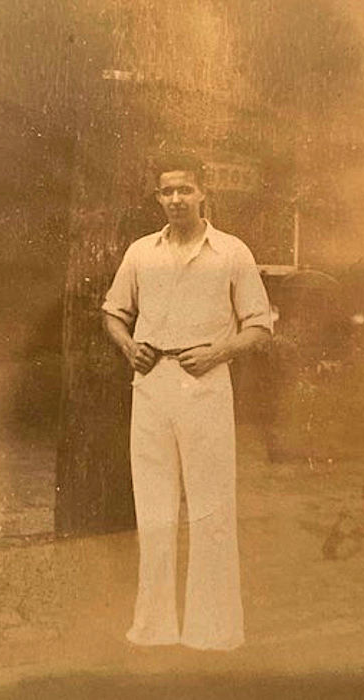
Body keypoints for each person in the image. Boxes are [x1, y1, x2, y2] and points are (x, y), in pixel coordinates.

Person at [102, 153, 272, 650]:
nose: (176, 199)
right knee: (153, 508)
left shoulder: (232, 252)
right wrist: (129, 346)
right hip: (152, 385)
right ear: (158, 197)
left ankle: (213, 630)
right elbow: (113, 313)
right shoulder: (141, 252)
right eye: (166, 192)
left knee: (211, 507)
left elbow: (259, 327)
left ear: (203, 193)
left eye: (185, 190)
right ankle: (153, 626)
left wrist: (218, 351)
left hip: (206, 385)